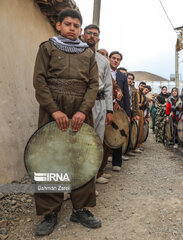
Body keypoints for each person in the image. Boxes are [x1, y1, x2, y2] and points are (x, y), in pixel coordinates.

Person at [32, 9, 101, 236]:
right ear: (59, 26)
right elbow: (39, 82)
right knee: (50, 158)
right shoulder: (47, 48)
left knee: (82, 157)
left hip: (81, 113)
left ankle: (80, 209)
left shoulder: (88, 54)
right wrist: (54, 111)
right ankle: (50, 211)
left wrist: (83, 111)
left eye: (76, 26)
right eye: (68, 24)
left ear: (80, 30)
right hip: (52, 111)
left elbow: (93, 85)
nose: (72, 29)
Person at [82, 24, 113, 185]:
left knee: (96, 143)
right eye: (89, 33)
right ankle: (72, 186)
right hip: (81, 103)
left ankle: (90, 185)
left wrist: (109, 110)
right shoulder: (76, 54)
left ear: (98, 39)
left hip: (100, 104)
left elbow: (108, 86)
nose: (92, 36)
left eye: (95, 34)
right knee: (79, 144)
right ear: (83, 35)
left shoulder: (103, 61)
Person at [107, 51, 130, 170]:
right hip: (106, 107)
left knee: (119, 133)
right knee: (105, 134)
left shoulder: (122, 76)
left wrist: (128, 114)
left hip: (119, 110)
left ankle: (117, 162)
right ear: (109, 59)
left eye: (118, 59)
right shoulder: (103, 71)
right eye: (114, 58)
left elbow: (126, 94)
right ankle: (103, 163)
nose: (116, 60)